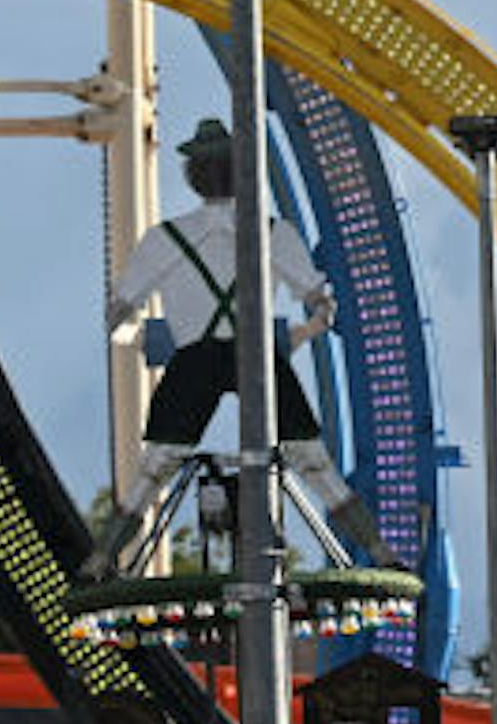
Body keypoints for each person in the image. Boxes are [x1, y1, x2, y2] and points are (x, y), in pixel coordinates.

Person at [108, 117, 388, 562]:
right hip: (256, 358)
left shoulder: (165, 240)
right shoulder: (273, 233)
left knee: (154, 467)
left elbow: (118, 311)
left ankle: (103, 556)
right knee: (313, 461)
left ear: (192, 175)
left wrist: (135, 336)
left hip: (194, 358)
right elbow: (321, 302)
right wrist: (303, 332)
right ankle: (376, 549)